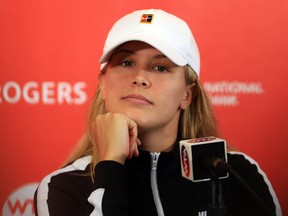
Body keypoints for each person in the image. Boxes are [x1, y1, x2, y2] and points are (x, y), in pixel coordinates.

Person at [34, 9, 282, 216]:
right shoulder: (63, 185)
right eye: (126, 62)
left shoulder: (236, 172)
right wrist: (110, 167)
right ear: (103, 85)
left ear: (187, 95)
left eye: (161, 67)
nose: (140, 77)